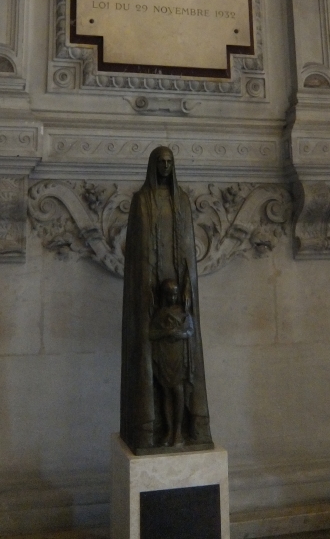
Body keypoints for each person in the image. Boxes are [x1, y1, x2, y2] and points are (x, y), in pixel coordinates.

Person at [120, 146, 213, 453]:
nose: (165, 166)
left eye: (169, 162)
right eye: (160, 161)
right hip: (150, 290)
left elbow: (187, 249)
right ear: (153, 165)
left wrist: (186, 287)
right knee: (153, 368)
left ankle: (185, 430)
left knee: (181, 377)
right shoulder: (142, 201)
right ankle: (151, 428)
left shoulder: (181, 200)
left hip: (177, 289)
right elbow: (137, 250)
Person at [149, 279, 194, 447]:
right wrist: (164, 333)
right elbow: (151, 334)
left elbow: (190, 331)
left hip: (178, 356)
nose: (172, 297)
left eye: (174, 294)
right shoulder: (160, 313)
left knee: (178, 391)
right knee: (166, 393)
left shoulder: (183, 312)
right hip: (164, 356)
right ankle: (168, 430)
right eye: (169, 294)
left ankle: (178, 431)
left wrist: (178, 333)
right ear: (164, 295)